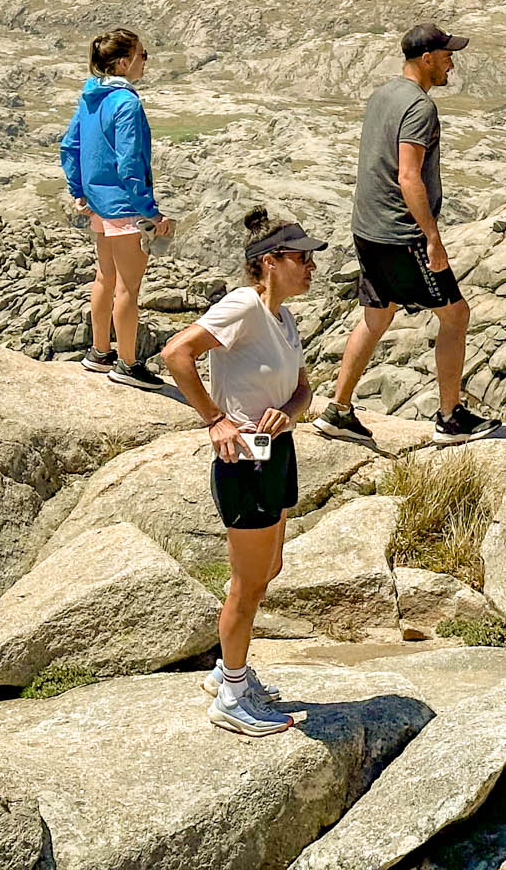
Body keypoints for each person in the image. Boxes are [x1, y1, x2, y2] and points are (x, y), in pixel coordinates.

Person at [159, 208, 324, 736]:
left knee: (266, 572)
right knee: (247, 584)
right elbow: (176, 352)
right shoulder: (244, 306)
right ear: (269, 262)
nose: (312, 268)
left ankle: (229, 674)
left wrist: (290, 412)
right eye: (302, 258)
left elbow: (304, 388)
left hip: (276, 451)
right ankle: (231, 696)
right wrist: (215, 419)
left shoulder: (282, 318)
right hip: (245, 460)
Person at [309, 23, 502, 447]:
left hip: (368, 228)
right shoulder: (420, 107)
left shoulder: (383, 95)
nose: (453, 61)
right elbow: (408, 176)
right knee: (456, 314)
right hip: (402, 234)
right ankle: (450, 419)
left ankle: (338, 410)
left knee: (377, 315)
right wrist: (432, 238)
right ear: (427, 58)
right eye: (447, 54)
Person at [60, 28, 175, 387]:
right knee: (128, 288)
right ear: (124, 62)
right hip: (125, 207)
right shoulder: (127, 103)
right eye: (143, 55)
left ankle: (98, 352)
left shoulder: (90, 97)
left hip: (98, 204)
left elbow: (70, 146)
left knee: (104, 278)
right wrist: (151, 212)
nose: (146, 61)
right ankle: (127, 364)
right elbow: (129, 163)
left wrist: (79, 189)